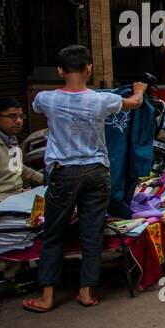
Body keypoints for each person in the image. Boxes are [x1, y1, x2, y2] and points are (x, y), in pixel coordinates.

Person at [22, 45, 146, 312]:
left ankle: (46, 296)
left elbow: (35, 107)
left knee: (54, 233)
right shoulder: (101, 100)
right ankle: (86, 291)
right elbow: (134, 105)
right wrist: (139, 90)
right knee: (92, 232)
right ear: (89, 68)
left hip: (63, 172)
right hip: (96, 172)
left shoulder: (47, 99)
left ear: (59, 71)